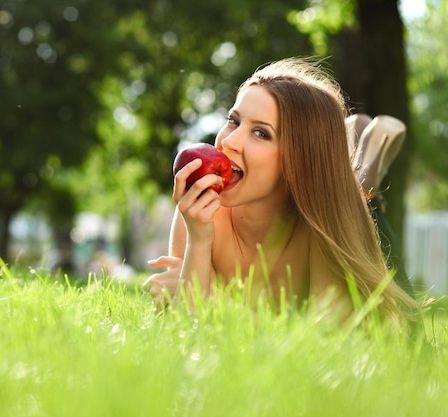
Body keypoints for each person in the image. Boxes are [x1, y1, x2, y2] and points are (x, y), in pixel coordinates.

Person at [143, 57, 417, 324]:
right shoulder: (200, 211)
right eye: (234, 121)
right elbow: (181, 326)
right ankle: (354, 164)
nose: (229, 142)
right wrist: (199, 241)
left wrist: (213, 298)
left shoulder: (323, 226)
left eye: (261, 133)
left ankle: (365, 178)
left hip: (348, 218)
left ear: (297, 160)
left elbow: (326, 344)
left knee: (407, 325)